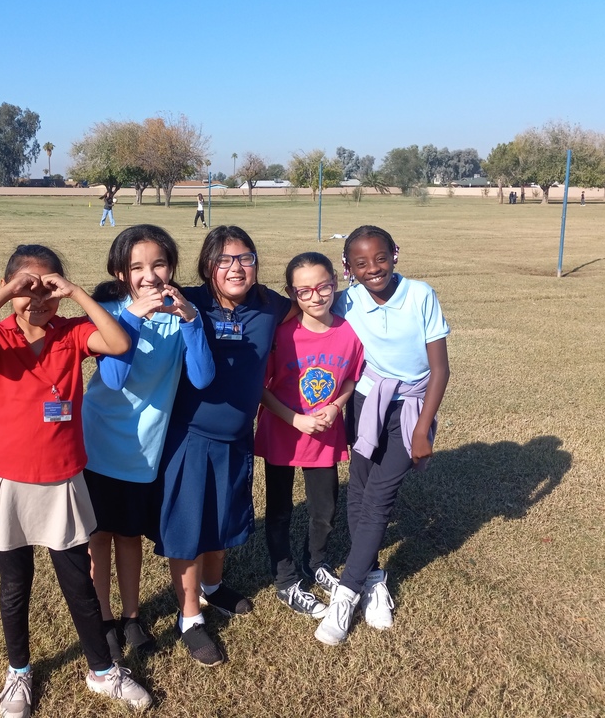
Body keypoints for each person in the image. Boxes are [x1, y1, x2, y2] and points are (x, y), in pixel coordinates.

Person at [0, 244, 151, 717]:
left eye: (48, 288)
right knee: (14, 585)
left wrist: (77, 293)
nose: (37, 299)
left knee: (78, 583)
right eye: (26, 288)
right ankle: (19, 672)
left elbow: (119, 344)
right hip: (9, 480)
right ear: (8, 289)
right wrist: (3, 298)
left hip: (61, 479)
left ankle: (102, 671)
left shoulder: (73, 332)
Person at [153, 225, 295, 666]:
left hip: (237, 438)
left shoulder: (271, 305)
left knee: (224, 518)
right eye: (225, 260)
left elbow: (313, 305)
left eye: (245, 258)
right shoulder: (187, 300)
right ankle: (190, 617)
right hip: (189, 436)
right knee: (188, 528)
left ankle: (212, 589)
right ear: (207, 265)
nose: (236, 267)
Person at [82, 225, 215, 662]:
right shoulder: (108, 311)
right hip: (97, 441)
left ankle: (132, 616)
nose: (149, 275)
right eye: (136, 267)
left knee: (130, 535)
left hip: (144, 448)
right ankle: (104, 620)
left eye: (158, 264)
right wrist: (133, 317)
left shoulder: (183, 315)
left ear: (172, 267)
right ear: (120, 272)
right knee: (99, 535)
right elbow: (115, 379)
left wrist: (192, 322)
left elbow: (201, 377)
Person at [316, 225, 450, 646]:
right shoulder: (347, 298)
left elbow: (440, 370)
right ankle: (374, 579)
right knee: (358, 488)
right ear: (347, 268)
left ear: (395, 253)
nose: (373, 269)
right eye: (361, 263)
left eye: (380, 258)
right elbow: (305, 309)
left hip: (410, 406)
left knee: (380, 496)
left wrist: (424, 427)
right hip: (364, 402)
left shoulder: (420, 294)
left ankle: (346, 594)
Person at [256, 252, 363, 620]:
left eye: (323, 287)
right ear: (291, 294)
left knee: (325, 509)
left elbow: (351, 377)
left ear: (335, 282)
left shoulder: (349, 333)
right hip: (283, 434)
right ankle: (285, 578)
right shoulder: (281, 336)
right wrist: (295, 419)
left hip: (325, 436)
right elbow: (260, 388)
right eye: (305, 291)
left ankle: (316, 561)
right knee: (280, 511)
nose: (316, 296)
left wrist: (336, 407)